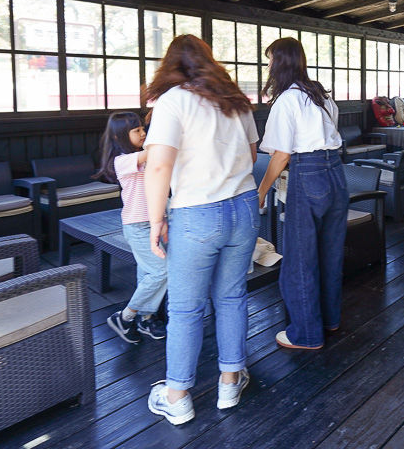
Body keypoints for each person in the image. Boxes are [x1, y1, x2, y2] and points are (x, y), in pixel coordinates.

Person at [144, 34, 259, 423]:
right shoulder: (235, 101)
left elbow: (159, 165)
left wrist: (156, 218)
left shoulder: (173, 101)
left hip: (196, 212)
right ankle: (230, 380)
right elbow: (253, 153)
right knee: (231, 297)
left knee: (186, 308)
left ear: (171, 65)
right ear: (208, 61)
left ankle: (177, 396)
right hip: (243, 207)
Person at [257, 37, 349, 350]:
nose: (267, 65)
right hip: (336, 173)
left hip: (307, 174)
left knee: (299, 257)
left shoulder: (287, 100)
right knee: (330, 253)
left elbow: (281, 155)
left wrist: (261, 190)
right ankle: (329, 320)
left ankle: (306, 335)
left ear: (279, 62)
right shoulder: (320, 94)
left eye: (269, 59)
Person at [94, 111, 167, 344]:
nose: (143, 133)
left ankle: (146, 319)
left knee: (148, 272)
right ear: (118, 137)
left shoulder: (141, 157)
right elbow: (155, 151)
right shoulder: (123, 161)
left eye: (143, 129)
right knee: (162, 270)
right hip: (137, 225)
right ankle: (125, 317)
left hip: (154, 222)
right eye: (136, 130)